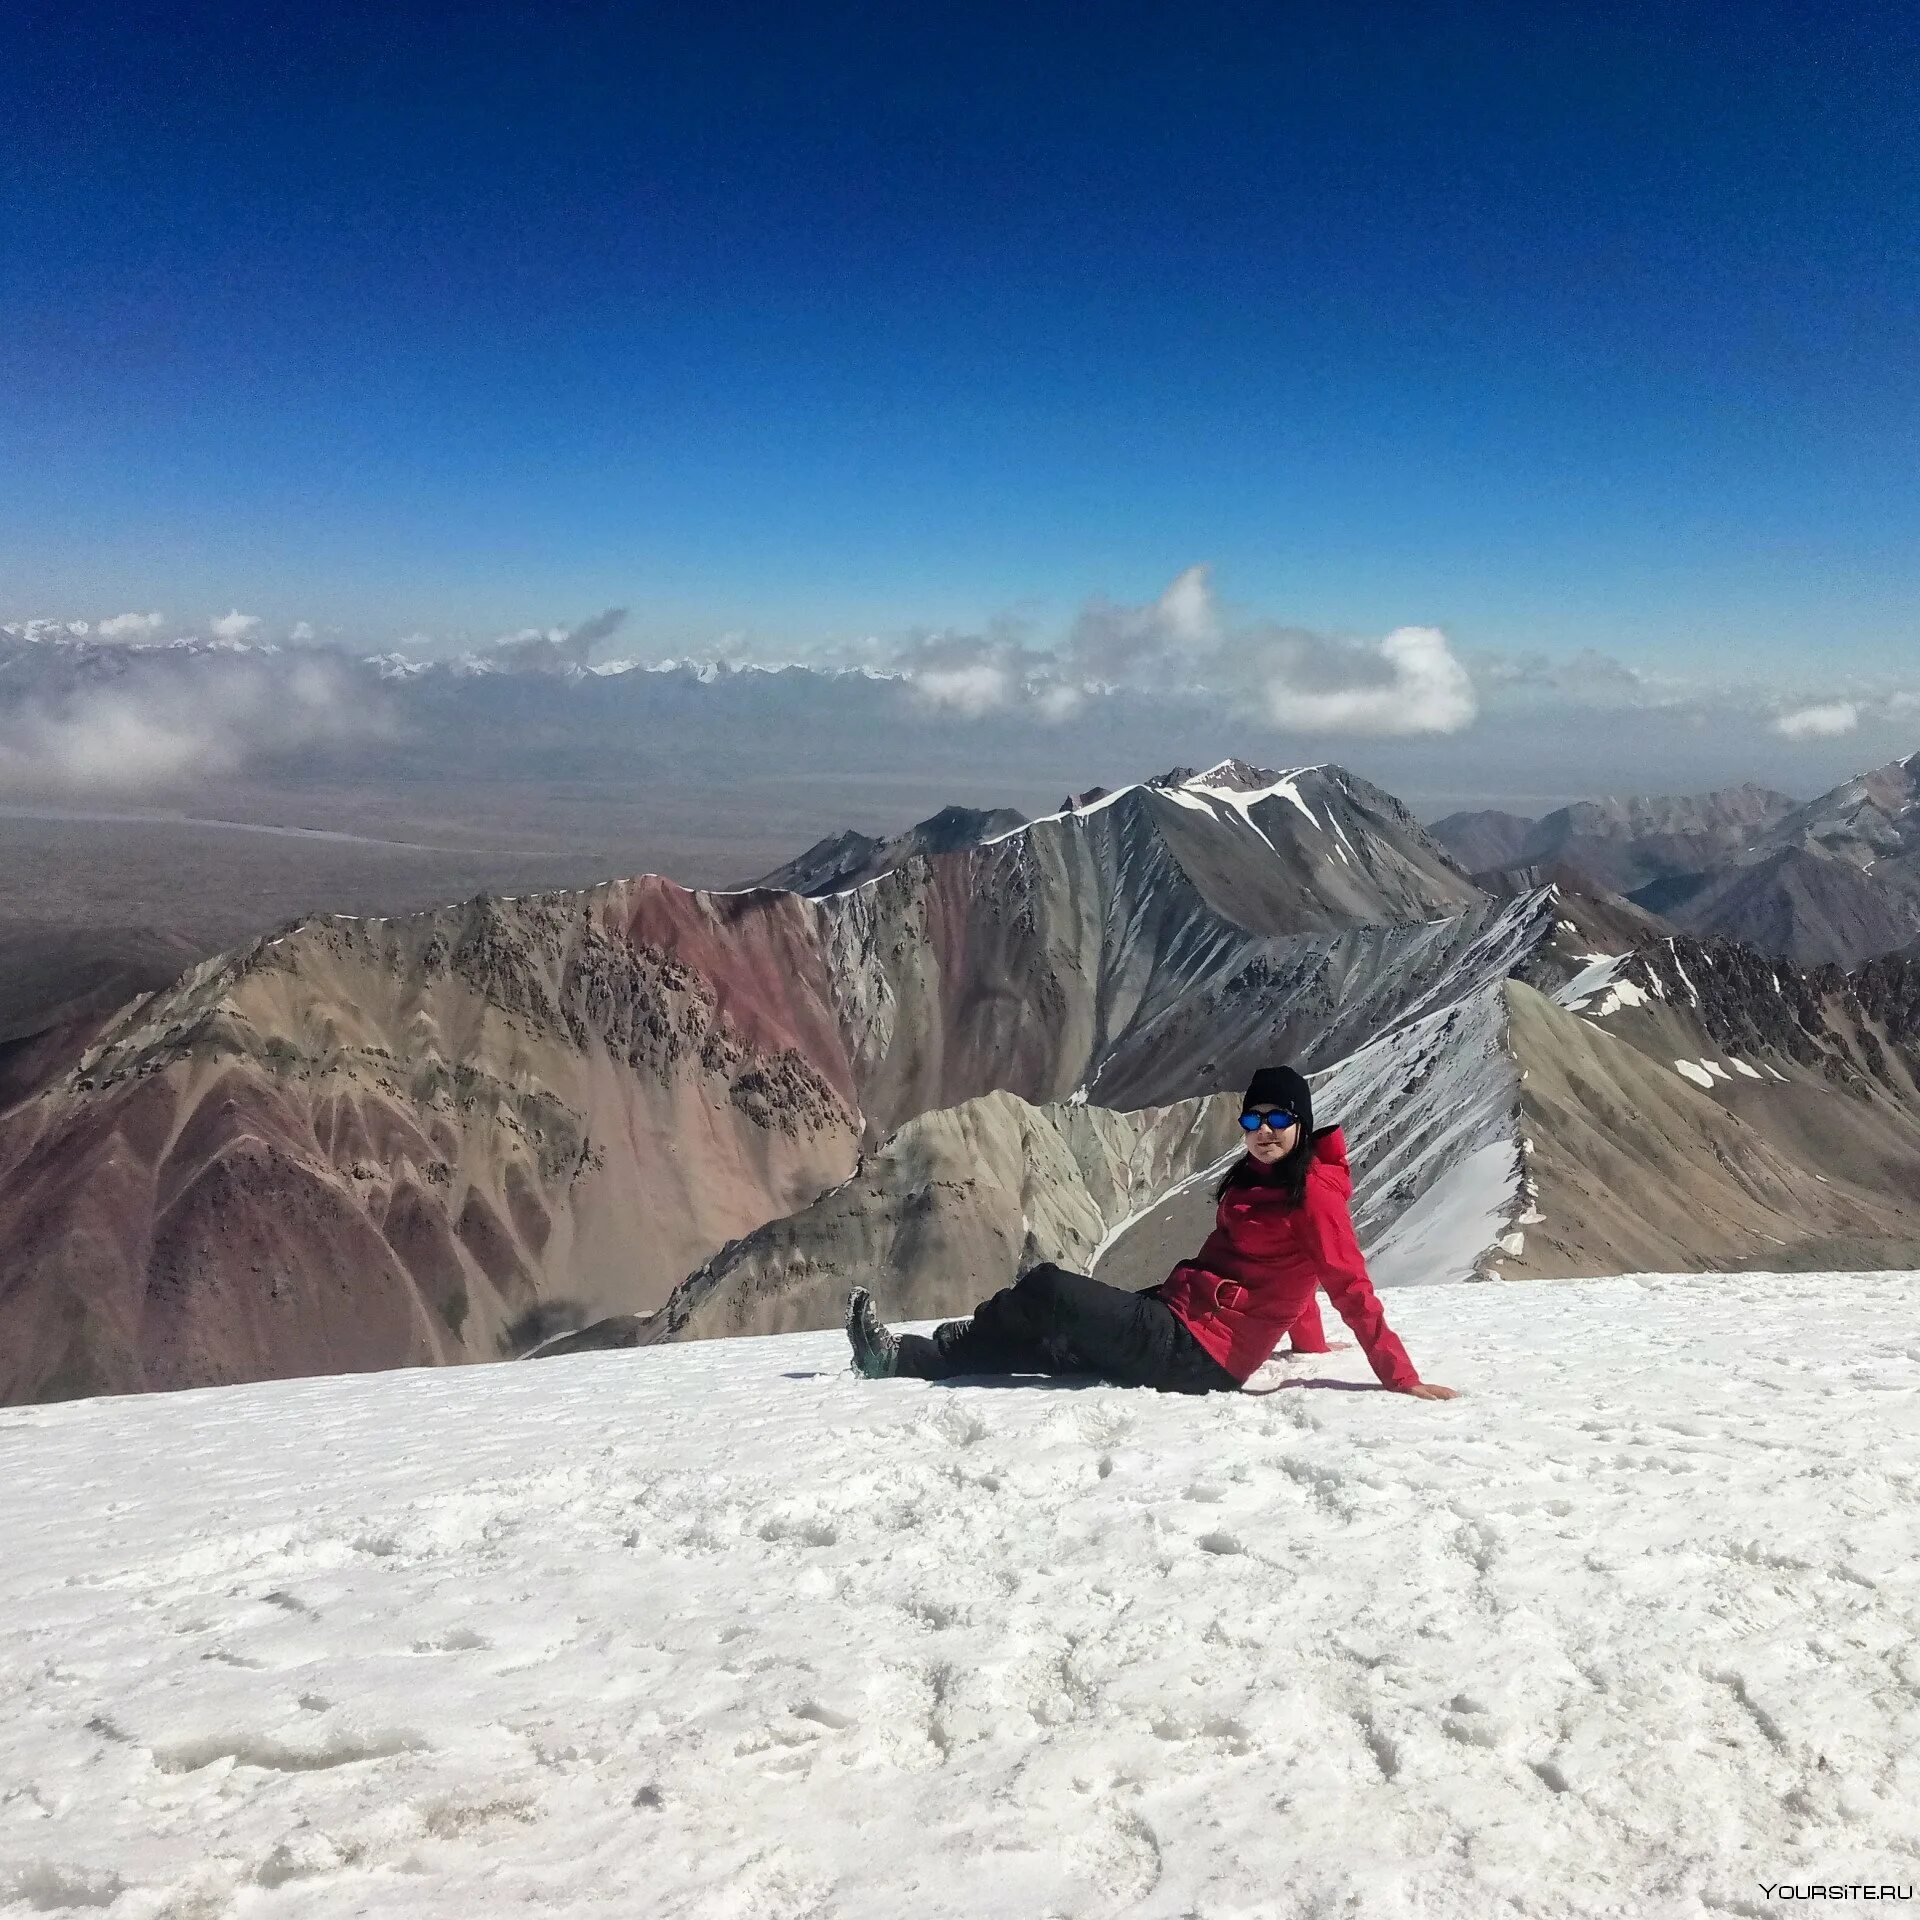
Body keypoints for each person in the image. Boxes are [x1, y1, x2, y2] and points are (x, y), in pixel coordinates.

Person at [845, 1064, 1458, 1401]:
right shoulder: (1258, 1177)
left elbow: (1346, 1280)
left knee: (1050, 1288)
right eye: (1254, 1117)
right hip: (1180, 1318)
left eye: (1278, 1119)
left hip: (1200, 1355)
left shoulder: (1314, 1195)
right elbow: (1292, 1276)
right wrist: (1307, 1344)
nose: (1263, 1129)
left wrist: (1400, 1375)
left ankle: (969, 1336)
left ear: (1301, 1125)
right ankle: (910, 1358)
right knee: (1056, 1345)